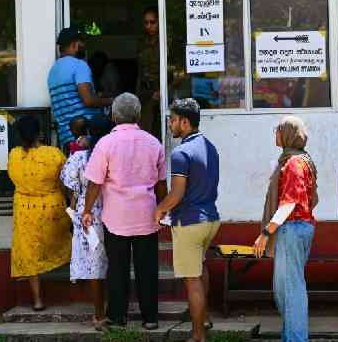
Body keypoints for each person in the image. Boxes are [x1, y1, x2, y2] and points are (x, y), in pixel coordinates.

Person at [82, 93, 167, 331]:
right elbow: (161, 184)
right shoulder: (153, 142)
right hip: (147, 215)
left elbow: (94, 182)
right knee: (147, 268)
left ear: (114, 115)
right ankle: (150, 318)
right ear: (138, 115)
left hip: (116, 217)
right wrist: (163, 209)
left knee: (117, 268)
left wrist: (87, 210)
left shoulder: (105, 144)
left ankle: (118, 317)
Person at [154, 99, 221, 342]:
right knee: (200, 269)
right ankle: (203, 320)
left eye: (172, 119)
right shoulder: (210, 147)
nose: (170, 124)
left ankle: (198, 336)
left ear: (184, 121)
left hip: (190, 223)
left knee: (191, 280)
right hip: (211, 219)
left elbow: (177, 193)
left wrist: (159, 210)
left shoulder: (181, 153)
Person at [253, 115, 319, 342]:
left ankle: (296, 338)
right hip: (298, 227)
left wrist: (265, 232)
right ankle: (291, 335)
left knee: (290, 289)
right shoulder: (300, 159)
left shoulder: (293, 164)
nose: (275, 134)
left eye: (278, 130)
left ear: (288, 134)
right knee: (285, 288)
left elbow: (289, 203)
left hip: (292, 228)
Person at [7, 115, 70, 311]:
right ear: (40, 133)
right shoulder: (54, 154)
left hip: (25, 210)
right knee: (63, 240)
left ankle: (37, 300)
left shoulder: (14, 155)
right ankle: (76, 278)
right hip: (52, 208)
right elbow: (66, 182)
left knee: (30, 252)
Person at [59, 114, 112, 327]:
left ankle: (99, 314)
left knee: (94, 267)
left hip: (87, 216)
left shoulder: (79, 158)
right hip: (113, 211)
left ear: (88, 135)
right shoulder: (113, 154)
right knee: (114, 263)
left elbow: (67, 185)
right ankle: (115, 311)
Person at [48, 27, 113, 153]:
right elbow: (88, 100)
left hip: (67, 138)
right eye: (82, 42)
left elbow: (69, 98)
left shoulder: (53, 71)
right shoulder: (79, 65)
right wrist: (111, 100)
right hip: (86, 137)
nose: (84, 46)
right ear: (75, 44)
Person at [137, 7, 161, 139]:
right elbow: (140, 71)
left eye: (152, 22)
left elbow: (179, 72)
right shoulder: (142, 42)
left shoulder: (166, 41)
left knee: (159, 129)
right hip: (146, 93)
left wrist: (164, 90)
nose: (149, 26)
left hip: (163, 92)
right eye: (146, 23)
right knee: (145, 131)